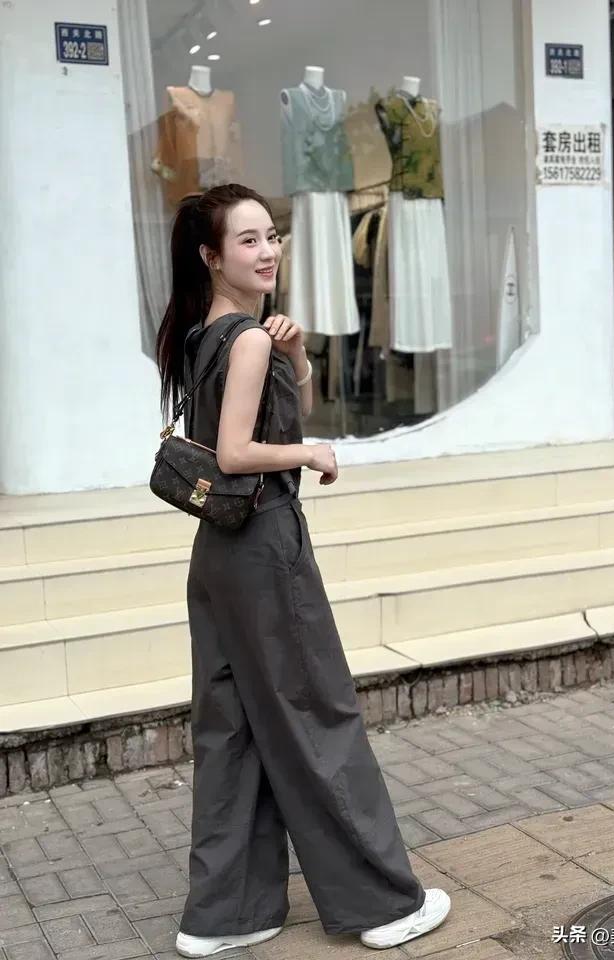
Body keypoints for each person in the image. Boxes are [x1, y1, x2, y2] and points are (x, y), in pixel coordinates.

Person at [155, 183, 451, 958]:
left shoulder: (209, 335)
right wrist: (310, 452)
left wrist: (295, 355)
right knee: (316, 714)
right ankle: (380, 904)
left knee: (233, 727)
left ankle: (226, 915)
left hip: (218, 553)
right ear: (211, 256)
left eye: (271, 236)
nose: (267, 252)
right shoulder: (244, 340)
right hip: (263, 543)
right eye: (247, 240)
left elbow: (280, 408)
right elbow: (237, 452)